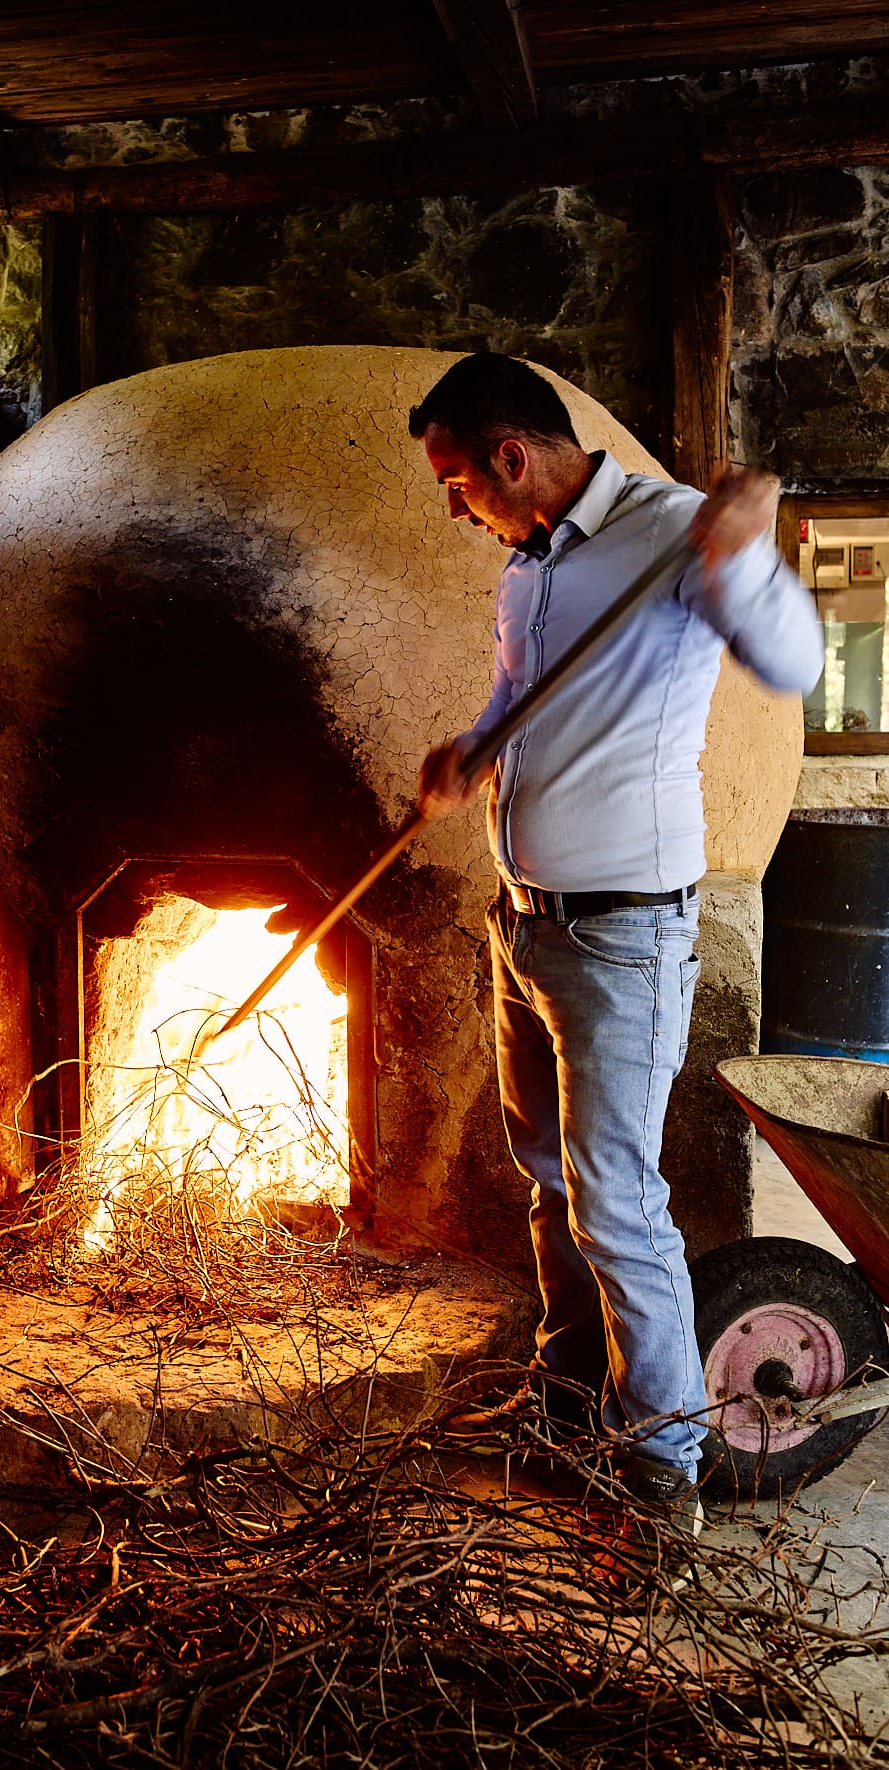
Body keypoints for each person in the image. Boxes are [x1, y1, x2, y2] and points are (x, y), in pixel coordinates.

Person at [410, 353, 823, 1547]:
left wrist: (748, 546)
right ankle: (568, 1402)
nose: (453, 505)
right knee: (547, 1182)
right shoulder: (530, 562)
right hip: (525, 921)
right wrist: (473, 748)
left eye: (454, 480)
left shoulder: (673, 535)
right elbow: (516, 689)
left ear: (509, 457)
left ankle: (661, 1476)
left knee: (621, 1208)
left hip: (623, 934)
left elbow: (793, 663)